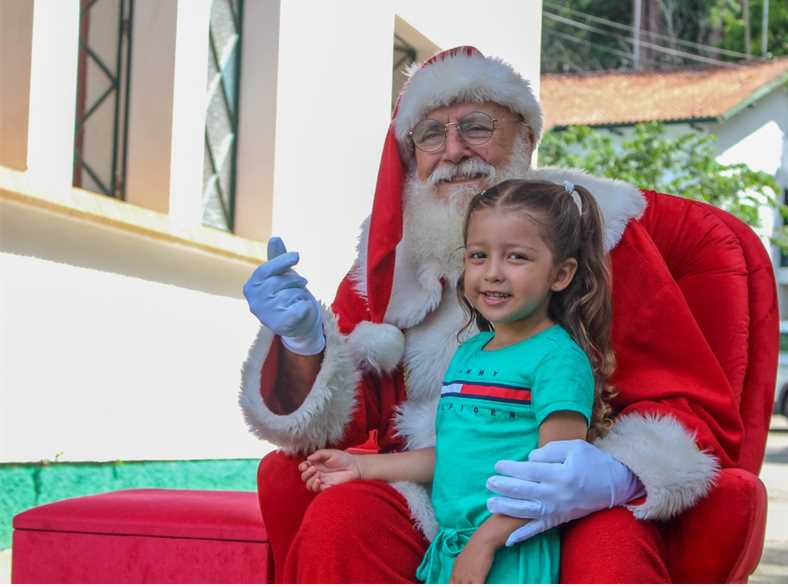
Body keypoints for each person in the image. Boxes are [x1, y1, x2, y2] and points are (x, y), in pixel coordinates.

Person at [240, 47, 740, 582]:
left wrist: (617, 474)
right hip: (436, 490)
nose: (453, 151)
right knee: (342, 519)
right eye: (431, 134)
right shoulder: (389, 263)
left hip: (569, 496)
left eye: (476, 126)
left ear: (524, 137)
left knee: (611, 550)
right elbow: (344, 423)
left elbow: (686, 402)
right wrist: (303, 343)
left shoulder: (599, 235)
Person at [298, 178, 614, 584]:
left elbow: (554, 481)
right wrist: (360, 466)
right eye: (478, 255)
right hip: (453, 550)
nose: (492, 273)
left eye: (516, 257)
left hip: (510, 551)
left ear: (561, 274)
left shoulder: (558, 360)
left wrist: (484, 543)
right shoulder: (468, 352)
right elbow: (451, 453)